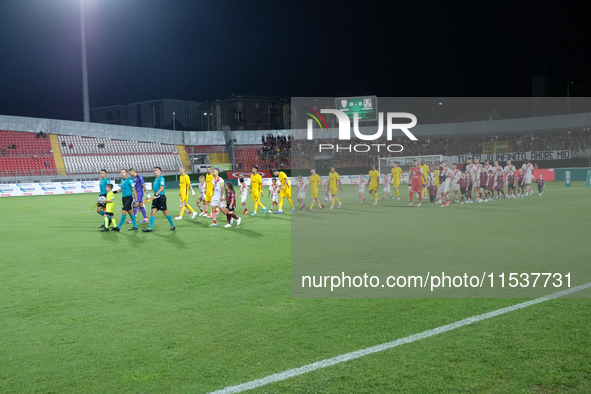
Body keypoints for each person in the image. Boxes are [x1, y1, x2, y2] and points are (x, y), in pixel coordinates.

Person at [141, 167, 175, 232]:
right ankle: (150, 228)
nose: (155, 172)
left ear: (160, 171)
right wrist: (154, 196)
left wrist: (155, 195)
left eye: (156, 170)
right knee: (153, 212)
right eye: (154, 170)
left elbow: (161, 188)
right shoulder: (156, 179)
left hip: (161, 198)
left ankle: (172, 225)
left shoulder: (161, 178)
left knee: (165, 212)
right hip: (155, 198)